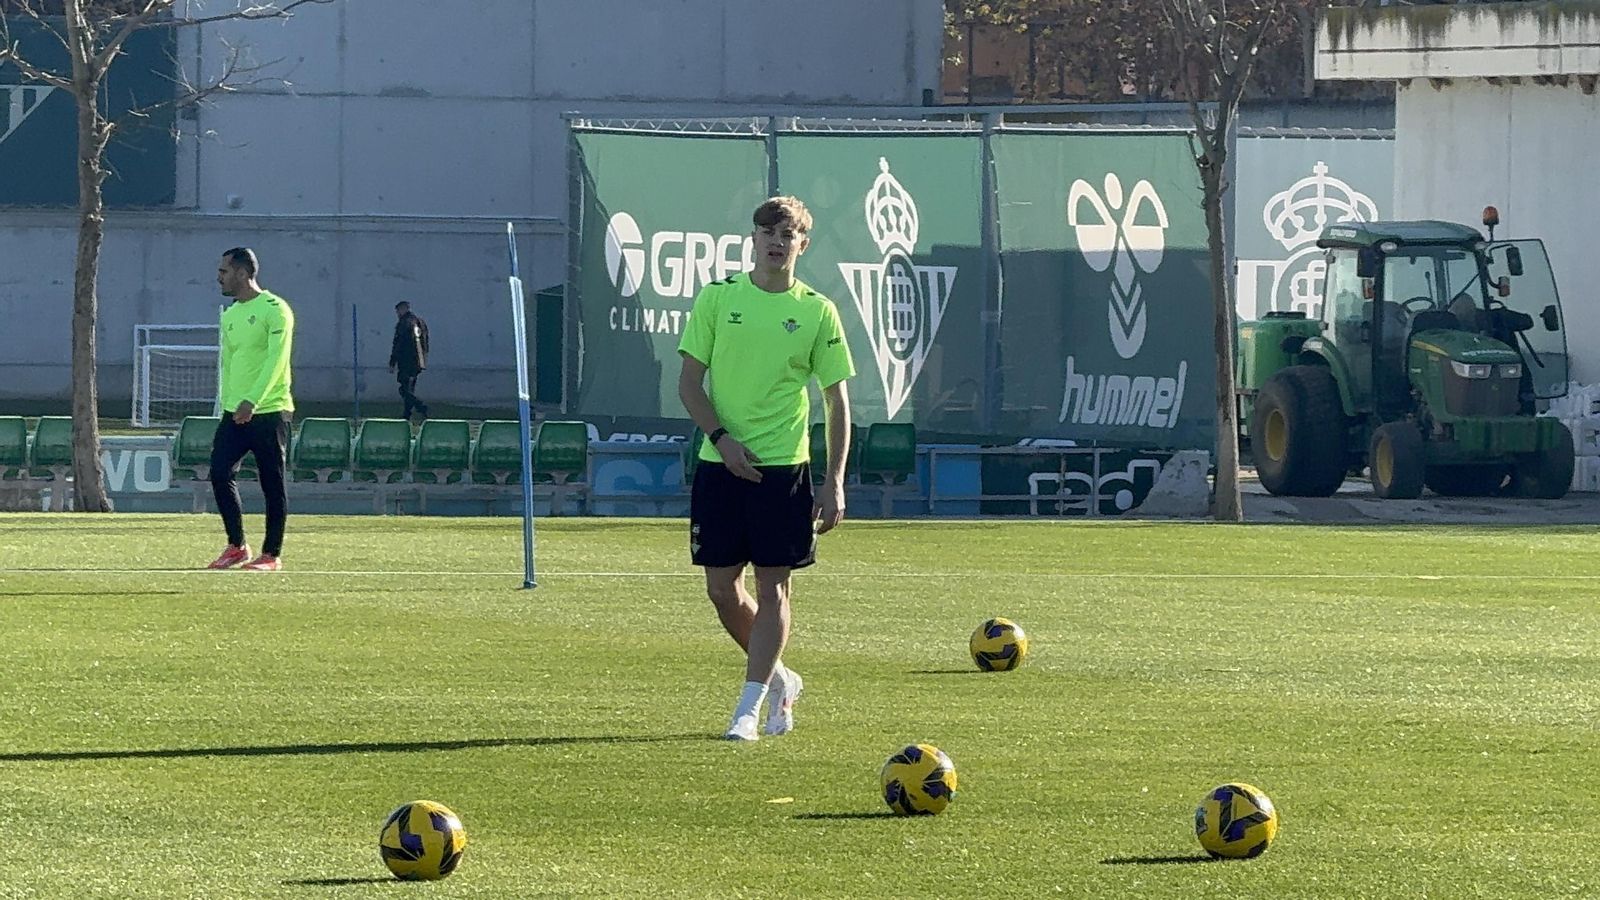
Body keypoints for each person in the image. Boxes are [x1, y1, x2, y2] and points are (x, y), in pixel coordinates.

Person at [676, 196, 856, 742]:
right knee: (721, 590)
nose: (777, 243)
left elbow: (837, 402)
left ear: (803, 244)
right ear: (753, 238)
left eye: (789, 234)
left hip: (784, 469)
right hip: (720, 464)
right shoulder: (717, 298)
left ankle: (748, 709)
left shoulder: (816, 310)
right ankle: (780, 678)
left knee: (774, 587)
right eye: (768, 232)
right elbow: (689, 384)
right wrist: (723, 440)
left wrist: (834, 480)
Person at [206, 247, 296, 572]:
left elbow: (276, 361)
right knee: (219, 472)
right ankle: (237, 545)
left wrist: (253, 401)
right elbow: (228, 364)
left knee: (271, 482)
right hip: (235, 412)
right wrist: (229, 404)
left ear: (243, 273)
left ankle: (271, 554)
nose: (219, 277)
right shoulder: (229, 315)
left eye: (224, 271)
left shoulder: (276, 310)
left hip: (270, 410)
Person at [389, 301, 430, 421]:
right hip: (418, 361)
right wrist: (423, 358)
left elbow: (398, 344)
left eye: (398, 311)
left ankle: (421, 406)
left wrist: (393, 361)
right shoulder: (419, 322)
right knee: (409, 388)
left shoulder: (404, 324)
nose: (397, 314)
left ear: (403, 309)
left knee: (404, 389)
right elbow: (425, 341)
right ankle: (407, 414)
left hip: (406, 360)